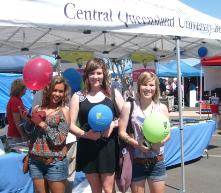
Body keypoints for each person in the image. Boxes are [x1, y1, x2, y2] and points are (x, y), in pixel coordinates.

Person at [69, 58, 124, 193]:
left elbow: (125, 117)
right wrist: (87, 135)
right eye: (92, 73)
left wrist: (113, 124)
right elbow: (70, 125)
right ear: (86, 75)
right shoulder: (78, 96)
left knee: (108, 188)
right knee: (96, 189)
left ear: (104, 74)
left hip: (108, 147)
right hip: (88, 147)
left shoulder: (112, 93)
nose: (95, 77)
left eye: (99, 73)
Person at [118, 71, 170, 193]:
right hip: (136, 162)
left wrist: (161, 142)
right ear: (139, 86)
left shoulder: (162, 108)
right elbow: (121, 132)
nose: (148, 88)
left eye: (151, 85)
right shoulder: (129, 106)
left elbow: (167, 133)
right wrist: (136, 144)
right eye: (144, 84)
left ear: (156, 87)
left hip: (157, 161)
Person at [21, 75, 71, 193]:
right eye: (55, 90)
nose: (57, 94)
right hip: (35, 162)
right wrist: (27, 121)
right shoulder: (37, 108)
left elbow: (59, 139)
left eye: (61, 91)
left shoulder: (64, 111)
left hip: (55, 163)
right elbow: (30, 134)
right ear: (48, 90)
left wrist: (43, 125)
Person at [6, 79, 27, 145]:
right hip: (16, 136)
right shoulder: (15, 101)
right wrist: (23, 135)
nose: (26, 90)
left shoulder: (16, 99)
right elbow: (17, 121)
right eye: (25, 88)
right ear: (21, 89)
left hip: (15, 135)